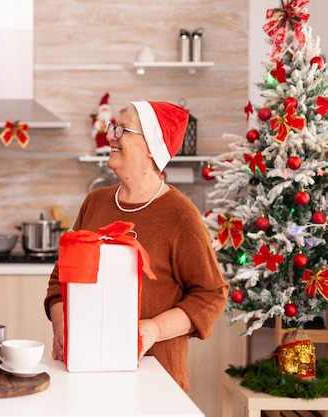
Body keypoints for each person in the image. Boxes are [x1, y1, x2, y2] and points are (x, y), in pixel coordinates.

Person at [44, 101, 229, 392]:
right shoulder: (95, 202)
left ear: (150, 147)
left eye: (122, 129)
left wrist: (154, 329)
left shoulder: (180, 215)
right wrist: (61, 325)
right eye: (112, 127)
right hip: (85, 375)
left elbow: (211, 294)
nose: (111, 136)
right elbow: (60, 281)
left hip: (154, 382)